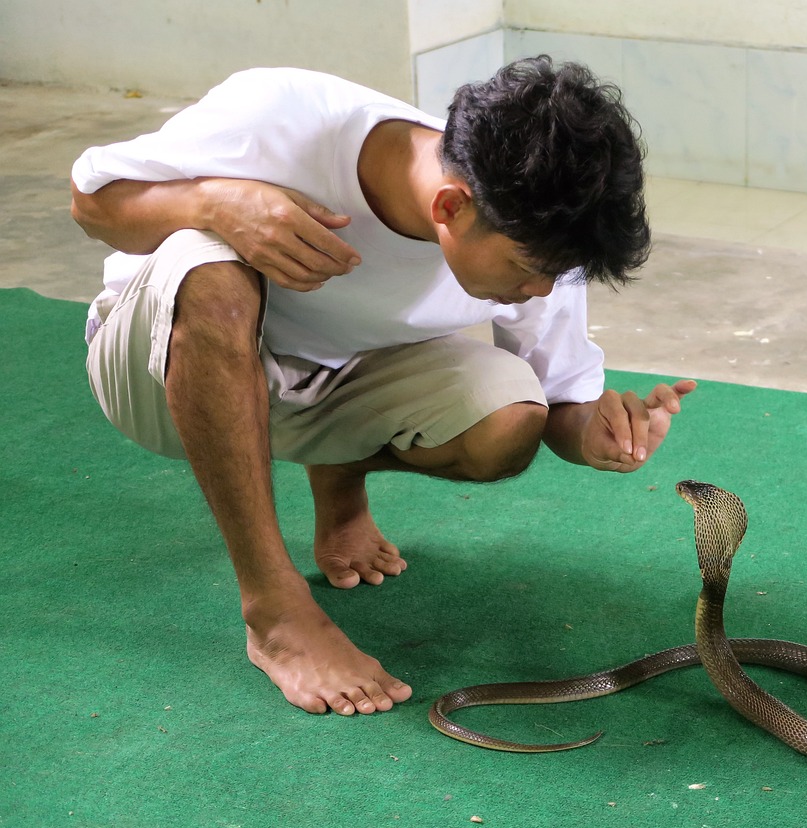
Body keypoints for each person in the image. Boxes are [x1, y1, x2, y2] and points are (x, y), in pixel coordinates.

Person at [69, 57, 696, 718]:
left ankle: (337, 476)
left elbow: (564, 400)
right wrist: (211, 203)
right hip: (156, 370)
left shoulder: (534, 229)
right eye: (527, 270)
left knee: (512, 416)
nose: (540, 290)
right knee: (209, 266)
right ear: (450, 207)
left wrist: (600, 431)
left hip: (324, 388)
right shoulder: (281, 114)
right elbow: (90, 203)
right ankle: (275, 610)